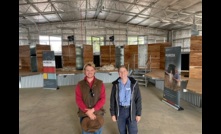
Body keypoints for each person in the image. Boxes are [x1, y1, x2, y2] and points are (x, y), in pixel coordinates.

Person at [75, 62, 106, 134]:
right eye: (87, 70)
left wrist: (93, 110)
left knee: (98, 132)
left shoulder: (100, 83)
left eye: (91, 70)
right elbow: (78, 100)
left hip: (98, 113)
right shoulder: (80, 84)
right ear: (84, 71)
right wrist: (87, 112)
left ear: (95, 71)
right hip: (84, 114)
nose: (90, 72)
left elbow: (103, 99)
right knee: (86, 131)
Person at [110, 65, 142, 134]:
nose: (123, 73)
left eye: (124, 71)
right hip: (120, 111)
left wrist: (138, 114)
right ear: (118, 74)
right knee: (122, 131)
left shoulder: (134, 83)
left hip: (131, 110)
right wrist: (113, 114)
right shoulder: (116, 85)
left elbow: (138, 99)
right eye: (120, 72)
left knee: (133, 131)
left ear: (127, 72)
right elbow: (112, 100)